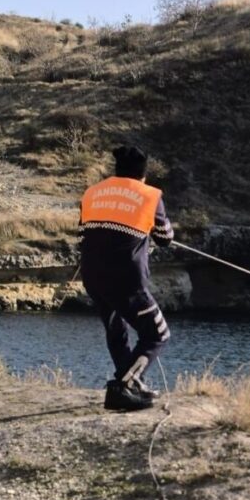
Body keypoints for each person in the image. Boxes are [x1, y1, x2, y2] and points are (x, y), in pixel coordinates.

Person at [79, 145, 175, 411]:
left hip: (92, 274)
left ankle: (130, 384)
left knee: (116, 329)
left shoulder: (93, 193)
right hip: (127, 279)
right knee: (158, 334)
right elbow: (165, 238)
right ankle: (125, 385)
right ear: (143, 175)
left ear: (116, 171)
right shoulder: (150, 195)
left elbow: (84, 229)